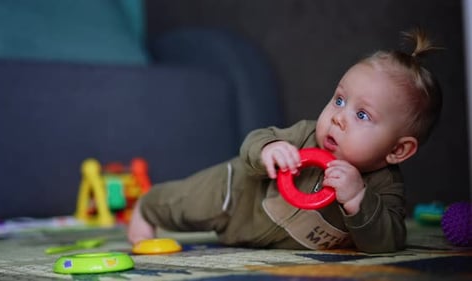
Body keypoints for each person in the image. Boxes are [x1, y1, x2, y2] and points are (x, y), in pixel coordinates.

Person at [127, 28, 443, 253]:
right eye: (339, 100)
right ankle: (147, 207)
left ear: (398, 150)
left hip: (264, 241)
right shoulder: (306, 135)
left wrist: (358, 200)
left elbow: (388, 242)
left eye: (362, 115)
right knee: (182, 203)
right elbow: (255, 139)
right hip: (236, 194)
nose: (338, 116)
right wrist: (269, 150)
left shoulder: (383, 187)